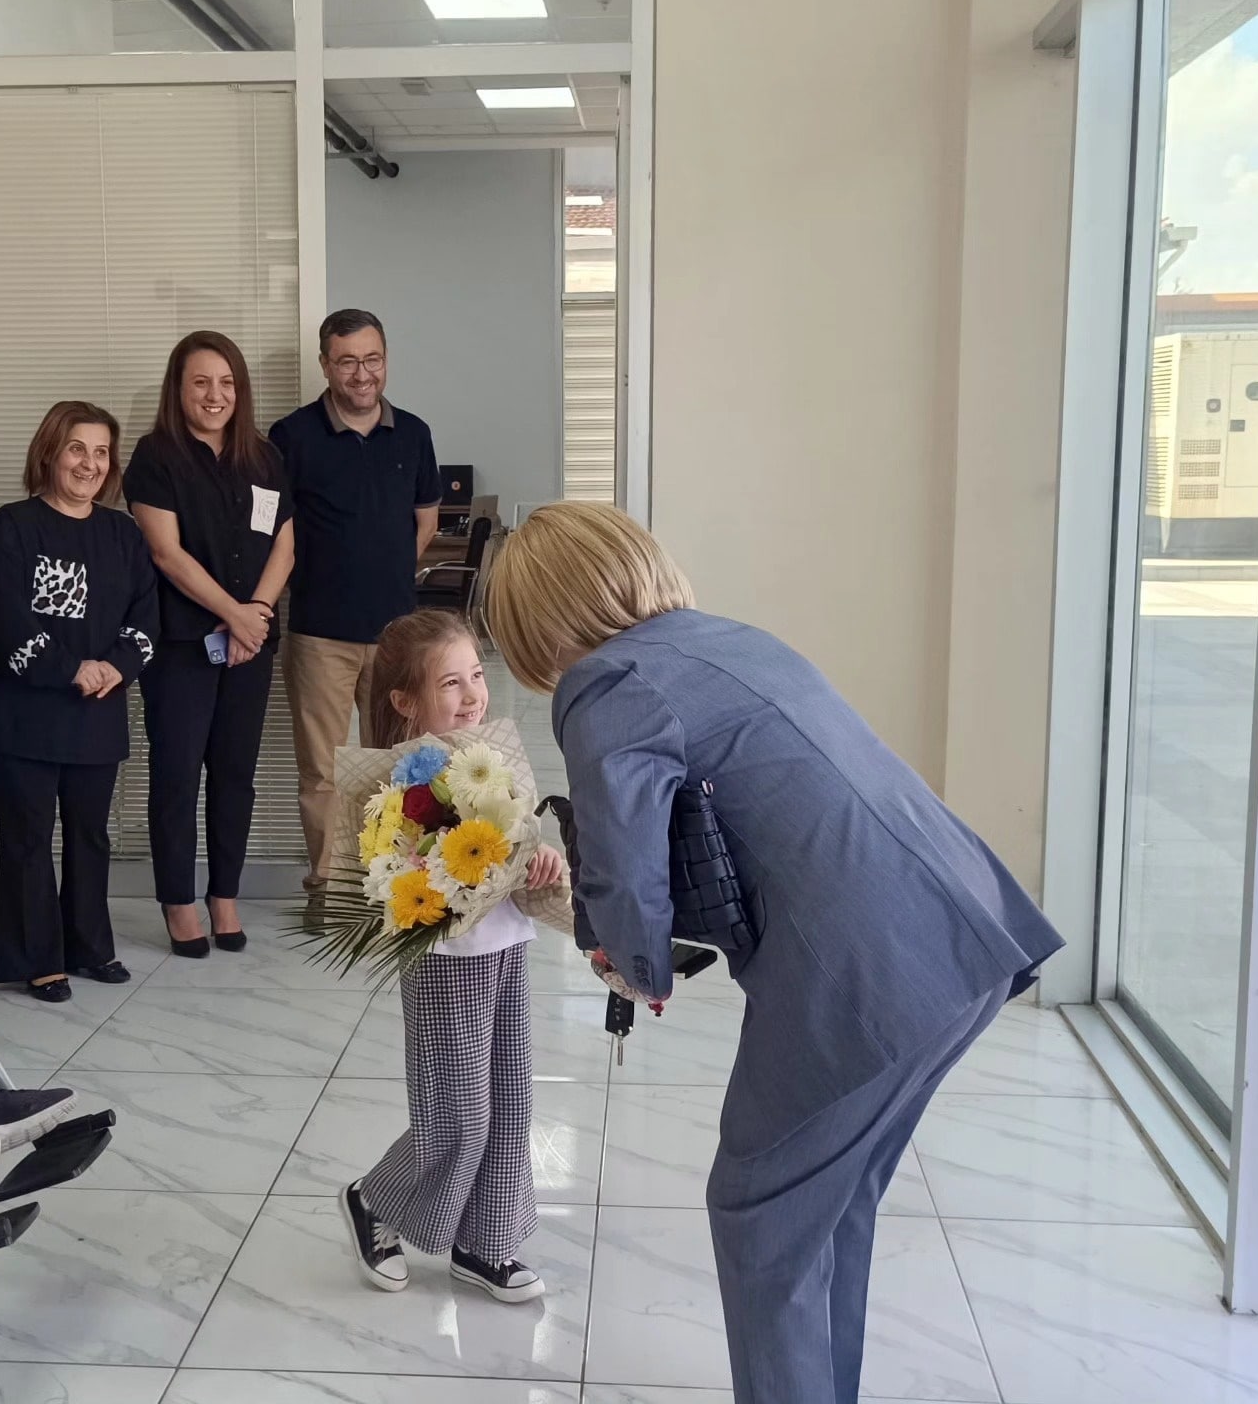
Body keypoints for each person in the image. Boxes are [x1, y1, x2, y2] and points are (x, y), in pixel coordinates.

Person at [486, 502, 1064, 1404]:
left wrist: (633, 967)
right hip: (967, 932)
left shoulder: (605, 682)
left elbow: (627, 873)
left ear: (538, 624)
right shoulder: (733, 639)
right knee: (829, 1204)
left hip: (869, 973)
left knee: (761, 1215)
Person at [339, 609, 564, 1303]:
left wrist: (541, 861)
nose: (472, 695)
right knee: (458, 1114)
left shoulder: (490, 760)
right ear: (404, 701)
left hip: (506, 946)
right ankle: (374, 1200)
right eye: (450, 683)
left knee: (510, 1102)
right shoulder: (398, 791)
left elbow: (518, 844)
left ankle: (485, 1243)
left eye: (476, 676)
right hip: (444, 958)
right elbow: (397, 876)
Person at [0, 402, 158, 1001]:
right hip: (24, 715)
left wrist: (117, 666)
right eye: (78, 448)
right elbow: (9, 620)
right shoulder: (12, 527)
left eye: (101, 452)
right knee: (28, 837)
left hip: (97, 710)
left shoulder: (123, 534)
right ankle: (38, 959)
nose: (90, 464)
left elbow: (145, 616)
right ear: (50, 452)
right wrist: (70, 669)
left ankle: (89, 947)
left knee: (90, 835)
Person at [124, 332, 294, 957]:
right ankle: (177, 901)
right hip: (181, 647)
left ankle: (224, 895)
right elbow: (166, 554)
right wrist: (234, 615)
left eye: (226, 383)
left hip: (250, 644)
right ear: (179, 389)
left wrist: (258, 616)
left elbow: (285, 542)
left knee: (235, 776)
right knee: (176, 776)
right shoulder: (155, 456)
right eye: (200, 382)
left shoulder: (263, 456)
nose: (214, 395)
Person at [270, 310, 441, 893]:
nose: (362, 374)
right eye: (347, 362)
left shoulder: (414, 433)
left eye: (372, 359)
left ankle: (389, 885)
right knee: (322, 771)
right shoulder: (291, 437)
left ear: (385, 360)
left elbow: (425, 521)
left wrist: (384, 571)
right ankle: (328, 887)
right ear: (325, 365)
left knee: (395, 765)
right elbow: (276, 533)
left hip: (396, 637)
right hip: (319, 634)